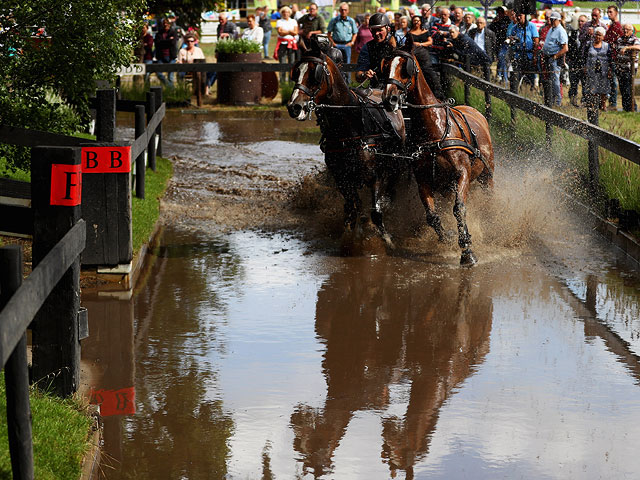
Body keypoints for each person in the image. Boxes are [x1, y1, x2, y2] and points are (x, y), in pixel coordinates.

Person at [357, 12, 444, 99]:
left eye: (380, 30)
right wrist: (364, 74)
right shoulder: (367, 48)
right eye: (373, 30)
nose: (376, 33)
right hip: (377, 90)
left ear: (388, 28)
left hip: (402, 89)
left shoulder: (400, 42)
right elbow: (358, 75)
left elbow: (424, 69)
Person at [506, 11, 540, 92]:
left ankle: (531, 91)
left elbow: (536, 41)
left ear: (525, 16)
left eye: (520, 15)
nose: (518, 17)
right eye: (517, 15)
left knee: (530, 76)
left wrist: (535, 56)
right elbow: (512, 40)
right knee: (516, 76)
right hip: (518, 55)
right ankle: (515, 93)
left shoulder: (531, 26)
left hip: (529, 55)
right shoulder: (515, 27)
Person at [541, 11, 568, 106]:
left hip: (555, 58)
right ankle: (550, 99)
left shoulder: (561, 31)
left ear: (558, 20)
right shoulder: (552, 29)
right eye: (551, 19)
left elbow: (565, 48)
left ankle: (557, 101)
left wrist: (555, 56)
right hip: (548, 57)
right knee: (550, 79)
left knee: (555, 80)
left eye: (553, 20)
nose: (551, 21)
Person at [584, 27, 612, 111]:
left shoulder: (606, 46)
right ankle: (594, 104)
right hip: (591, 69)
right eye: (596, 34)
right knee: (593, 87)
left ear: (603, 36)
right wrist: (585, 67)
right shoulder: (589, 44)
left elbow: (610, 58)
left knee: (604, 88)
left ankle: (603, 105)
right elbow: (584, 56)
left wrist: (610, 70)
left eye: (600, 35)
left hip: (603, 70)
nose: (598, 37)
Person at [614, 24, 640, 111]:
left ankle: (633, 108)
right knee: (622, 88)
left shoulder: (634, 39)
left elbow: (638, 47)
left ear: (631, 31)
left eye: (627, 29)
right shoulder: (620, 39)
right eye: (624, 29)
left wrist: (627, 48)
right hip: (620, 67)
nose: (625, 31)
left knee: (629, 89)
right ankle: (626, 108)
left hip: (630, 69)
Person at [604, 5, 623, 109]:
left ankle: (613, 103)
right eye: (608, 12)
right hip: (610, 56)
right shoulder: (612, 26)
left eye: (611, 12)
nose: (608, 14)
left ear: (616, 13)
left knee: (613, 80)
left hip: (614, 57)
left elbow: (617, 43)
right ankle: (611, 102)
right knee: (610, 80)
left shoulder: (617, 27)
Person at [567, 14, 587, 106]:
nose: (580, 23)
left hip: (584, 63)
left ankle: (584, 101)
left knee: (585, 83)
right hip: (574, 62)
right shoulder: (573, 33)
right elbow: (569, 47)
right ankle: (573, 100)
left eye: (582, 21)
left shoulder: (588, 34)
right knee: (573, 82)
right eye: (579, 21)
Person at [275, 6, 298, 83]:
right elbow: (280, 33)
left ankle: (291, 81)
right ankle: (282, 80)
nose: (285, 14)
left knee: (292, 62)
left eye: (287, 12)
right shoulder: (279, 22)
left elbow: (295, 32)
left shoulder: (293, 21)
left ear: (289, 13)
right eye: (284, 12)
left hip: (292, 44)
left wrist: (286, 31)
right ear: (282, 13)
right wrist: (290, 31)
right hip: (282, 43)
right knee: (282, 62)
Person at [489, 6, 512, 82]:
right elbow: (490, 28)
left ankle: (502, 76)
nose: (499, 13)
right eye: (498, 12)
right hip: (498, 43)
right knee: (500, 59)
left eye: (501, 12)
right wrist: (494, 22)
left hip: (506, 43)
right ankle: (500, 76)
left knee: (503, 58)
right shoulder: (496, 21)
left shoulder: (508, 20)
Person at [154, 18, 178, 86]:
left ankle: (171, 92)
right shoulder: (159, 33)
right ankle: (169, 86)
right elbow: (157, 43)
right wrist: (168, 40)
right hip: (161, 56)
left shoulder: (173, 32)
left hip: (171, 56)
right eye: (164, 23)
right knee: (159, 73)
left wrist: (163, 41)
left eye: (167, 23)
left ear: (169, 24)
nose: (165, 24)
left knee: (171, 76)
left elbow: (173, 43)